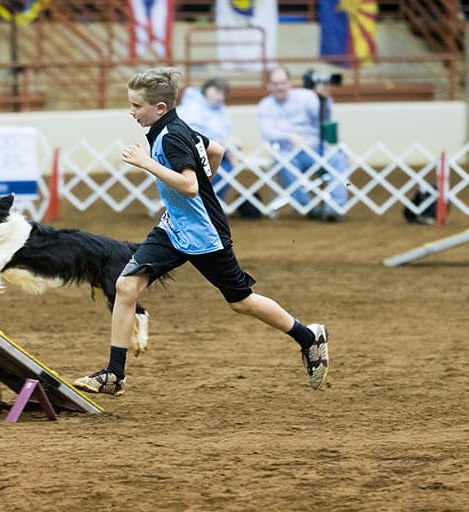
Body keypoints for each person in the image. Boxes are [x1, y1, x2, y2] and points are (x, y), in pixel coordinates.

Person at [73, 67, 329, 396]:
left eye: (137, 106)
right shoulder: (172, 127)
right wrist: (196, 192)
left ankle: (309, 338)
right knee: (125, 286)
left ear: (160, 108)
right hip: (174, 226)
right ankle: (114, 375)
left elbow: (191, 186)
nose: (132, 112)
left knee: (241, 301)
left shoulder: (171, 135)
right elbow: (217, 151)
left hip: (204, 232)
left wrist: (146, 163)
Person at [257, 67, 350, 222]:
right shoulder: (265, 105)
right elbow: (267, 133)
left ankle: (334, 208)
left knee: (339, 159)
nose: (280, 87)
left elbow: (325, 118)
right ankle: (307, 207)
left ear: (290, 83)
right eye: (275, 83)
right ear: (269, 86)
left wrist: (324, 99)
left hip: (315, 149)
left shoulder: (306, 97)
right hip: (287, 152)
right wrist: (288, 137)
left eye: (283, 82)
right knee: (283, 161)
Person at [176, 77, 243, 199]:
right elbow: (193, 134)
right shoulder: (192, 108)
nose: (220, 97)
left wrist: (230, 142)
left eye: (223, 93)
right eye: (217, 92)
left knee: (227, 167)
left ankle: (213, 201)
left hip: (215, 153)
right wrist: (223, 142)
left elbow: (225, 131)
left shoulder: (219, 108)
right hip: (193, 154)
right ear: (206, 89)